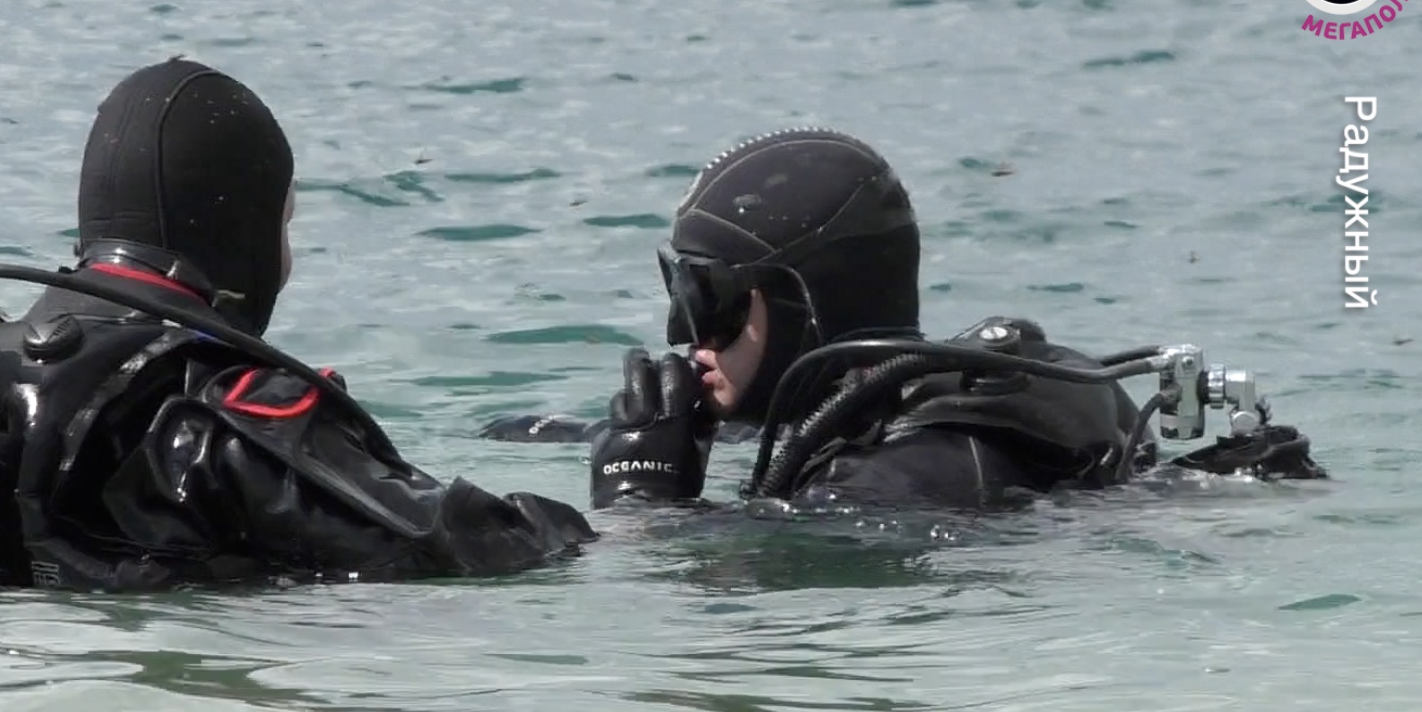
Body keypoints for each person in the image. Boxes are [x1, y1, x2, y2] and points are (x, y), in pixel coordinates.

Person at [0, 57, 596, 589]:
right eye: (284, 224)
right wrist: (633, 494)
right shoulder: (213, 410)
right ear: (242, 232)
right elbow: (458, 552)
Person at [522, 128, 1323, 513]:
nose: (684, 333)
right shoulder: (912, 408)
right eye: (680, 290)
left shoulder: (898, 478)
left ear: (803, 303)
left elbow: (717, 591)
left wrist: (639, 498)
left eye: (712, 297)